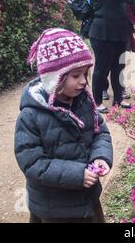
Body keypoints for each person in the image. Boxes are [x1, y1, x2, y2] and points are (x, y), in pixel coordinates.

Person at [14, 28, 113, 223]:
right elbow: (32, 164)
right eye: (76, 76)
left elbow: (100, 132)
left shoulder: (84, 102)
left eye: (85, 74)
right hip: (54, 208)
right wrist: (77, 175)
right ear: (54, 78)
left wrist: (100, 156)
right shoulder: (30, 116)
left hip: (87, 201)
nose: (84, 81)